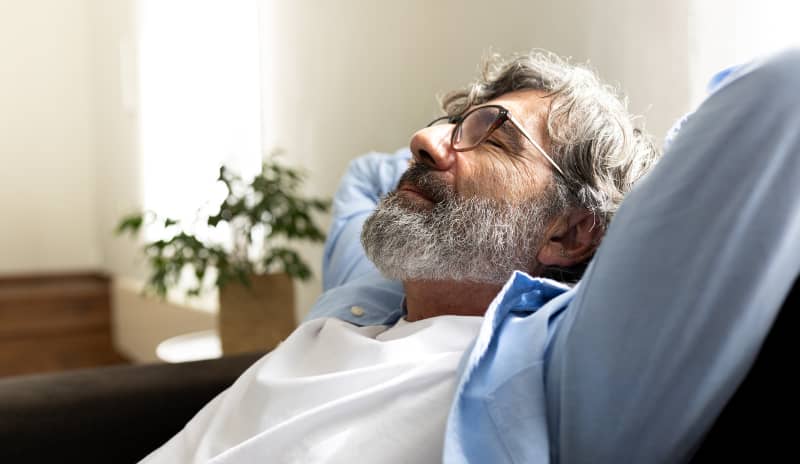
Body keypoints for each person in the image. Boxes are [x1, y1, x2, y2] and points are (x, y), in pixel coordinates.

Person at [142, 48, 800, 463]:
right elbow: (368, 176)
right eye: (448, 124)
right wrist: (466, 139)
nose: (422, 140)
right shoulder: (361, 295)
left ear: (569, 235)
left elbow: (781, 94)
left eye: (494, 136)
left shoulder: (553, 367)